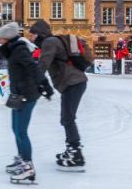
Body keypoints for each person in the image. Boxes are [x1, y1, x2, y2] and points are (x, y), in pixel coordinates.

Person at [29, 20, 88, 172]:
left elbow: (43, 64)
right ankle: (72, 150)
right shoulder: (52, 41)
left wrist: (31, 82)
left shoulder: (49, 42)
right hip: (73, 82)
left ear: (40, 34)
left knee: (67, 119)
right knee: (67, 118)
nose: (31, 38)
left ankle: (76, 154)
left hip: (73, 83)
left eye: (33, 35)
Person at [0, 22, 52, 184]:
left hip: (27, 95)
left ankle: (28, 167)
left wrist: (45, 85)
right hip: (18, 94)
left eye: (1, 38)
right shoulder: (12, 49)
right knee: (15, 129)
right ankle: (22, 159)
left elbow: (33, 68)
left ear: (7, 37)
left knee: (21, 131)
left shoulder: (19, 50)